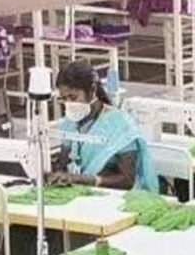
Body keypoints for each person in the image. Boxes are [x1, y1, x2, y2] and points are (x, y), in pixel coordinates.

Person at [49, 60, 156, 190]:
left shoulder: (120, 125)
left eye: (73, 97)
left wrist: (90, 180)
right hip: (80, 192)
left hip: (114, 194)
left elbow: (127, 180)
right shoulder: (69, 123)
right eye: (63, 99)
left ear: (92, 90)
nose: (69, 103)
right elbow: (63, 165)